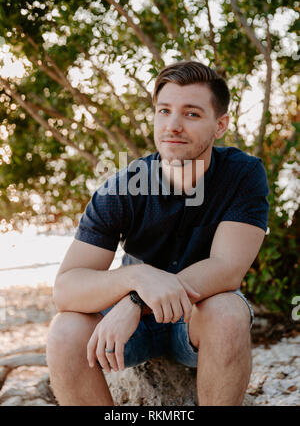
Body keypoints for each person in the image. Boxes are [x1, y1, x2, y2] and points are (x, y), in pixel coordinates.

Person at [46, 60, 269, 406]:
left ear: (220, 125)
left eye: (191, 114)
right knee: (65, 331)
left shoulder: (244, 174)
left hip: (197, 320)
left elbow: (227, 267)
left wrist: (137, 301)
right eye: (164, 111)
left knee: (228, 311)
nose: (173, 126)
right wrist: (137, 278)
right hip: (134, 332)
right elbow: (66, 289)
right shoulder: (122, 188)